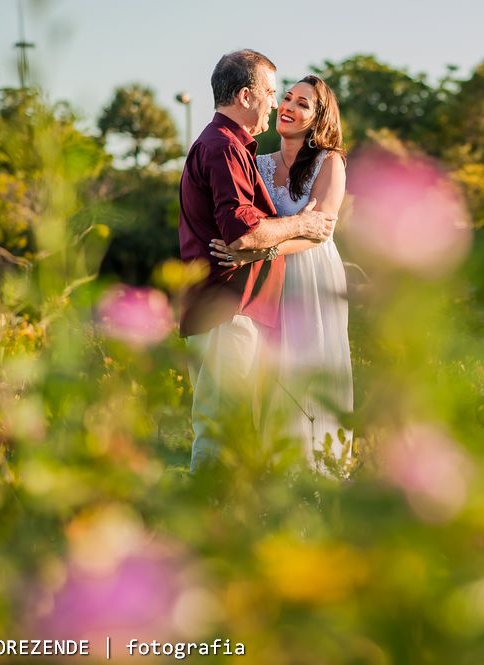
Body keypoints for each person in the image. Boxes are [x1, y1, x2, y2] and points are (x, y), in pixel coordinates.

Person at [178, 51, 336, 475]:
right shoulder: (224, 147)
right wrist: (302, 222)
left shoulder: (229, 146)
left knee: (232, 431)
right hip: (228, 306)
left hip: (229, 306)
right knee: (220, 430)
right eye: (271, 92)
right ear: (246, 96)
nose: (274, 103)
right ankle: (205, 512)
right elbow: (243, 233)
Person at [209, 75, 353, 474]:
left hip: (312, 275)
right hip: (268, 278)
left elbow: (319, 231)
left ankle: (319, 474)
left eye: (302, 103)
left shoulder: (330, 161)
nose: (287, 106)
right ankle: (271, 472)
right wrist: (252, 249)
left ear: (319, 117)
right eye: (286, 98)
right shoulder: (258, 163)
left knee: (308, 367)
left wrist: (262, 251)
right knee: (270, 372)